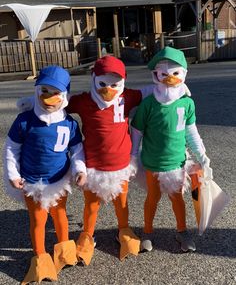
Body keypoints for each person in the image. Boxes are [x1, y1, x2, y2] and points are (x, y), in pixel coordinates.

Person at [66, 55, 156, 265]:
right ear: (94, 79)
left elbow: (149, 91)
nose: (108, 90)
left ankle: (123, 229)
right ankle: (87, 235)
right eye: (102, 83)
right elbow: (60, 100)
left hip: (120, 165)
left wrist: (175, 89)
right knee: (91, 204)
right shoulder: (84, 100)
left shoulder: (127, 97)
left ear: (122, 82)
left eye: (114, 84)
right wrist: (32, 104)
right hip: (93, 166)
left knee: (121, 202)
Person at [3, 65, 87, 284]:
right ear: (37, 91)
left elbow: (77, 149)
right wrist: (12, 173)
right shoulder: (24, 120)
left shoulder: (69, 123)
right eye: (44, 91)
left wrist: (80, 169)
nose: (49, 98)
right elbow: (12, 148)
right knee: (38, 219)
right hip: (32, 181)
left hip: (59, 179)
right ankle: (40, 257)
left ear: (64, 95)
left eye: (56, 93)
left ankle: (64, 251)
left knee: (60, 215)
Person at [130, 46, 211, 253]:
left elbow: (191, 131)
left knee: (178, 199)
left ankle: (182, 231)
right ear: (156, 74)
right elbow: (137, 131)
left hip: (177, 162)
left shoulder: (187, 103)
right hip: (152, 162)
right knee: (152, 198)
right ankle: (147, 231)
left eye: (175, 73)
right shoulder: (148, 104)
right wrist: (132, 157)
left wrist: (202, 155)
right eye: (163, 74)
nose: (169, 78)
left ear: (183, 74)